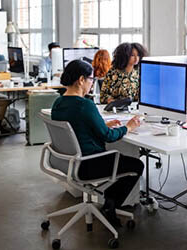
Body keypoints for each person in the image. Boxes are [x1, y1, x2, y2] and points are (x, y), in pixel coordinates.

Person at [51, 59, 144, 225]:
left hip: (67, 162)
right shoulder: (85, 105)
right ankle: (111, 202)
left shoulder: (58, 103)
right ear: (81, 80)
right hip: (89, 164)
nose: (92, 83)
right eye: (91, 79)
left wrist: (101, 123)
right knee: (136, 165)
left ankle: (109, 201)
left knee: (124, 161)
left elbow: (75, 126)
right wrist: (128, 127)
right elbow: (108, 136)